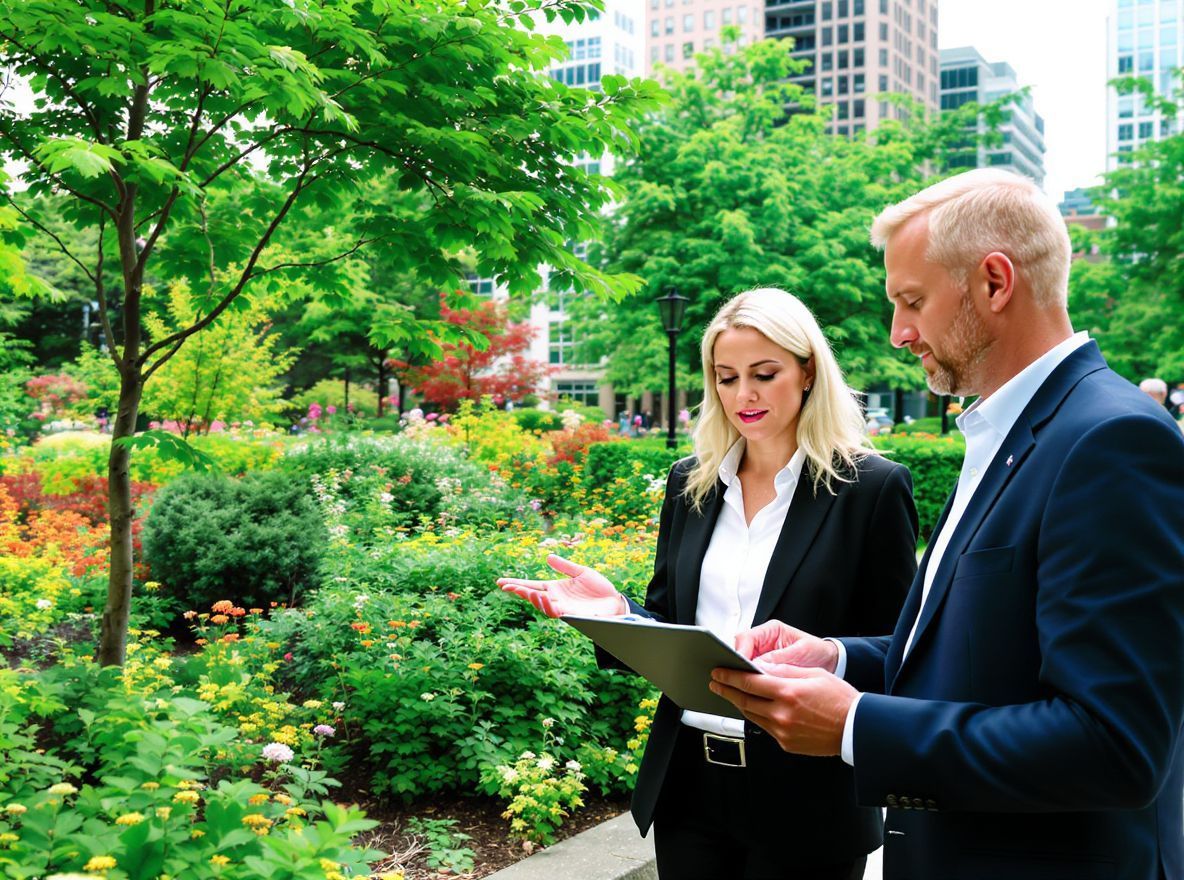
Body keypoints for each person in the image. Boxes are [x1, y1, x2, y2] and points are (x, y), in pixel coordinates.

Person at [709, 170, 1184, 880]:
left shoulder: (1110, 442)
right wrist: (838, 659)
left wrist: (856, 727)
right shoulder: (1011, 431)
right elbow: (978, 657)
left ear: (995, 282)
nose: (898, 333)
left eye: (911, 301)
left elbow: (1114, 745)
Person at [498, 288, 918, 879]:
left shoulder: (870, 489)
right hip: (688, 786)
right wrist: (616, 612)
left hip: (807, 793)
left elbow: (900, 652)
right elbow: (674, 626)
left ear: (808, 372)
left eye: (763, 374)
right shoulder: (689, 484)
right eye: (725, 377)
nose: (742, 394)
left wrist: (831, 659)